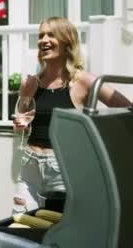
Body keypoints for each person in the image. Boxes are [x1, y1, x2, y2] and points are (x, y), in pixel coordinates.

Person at [12, 16, 132, 212]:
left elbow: (125, 108)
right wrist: (19, 125)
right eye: (41, 35)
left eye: (51, 35)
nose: (44, 40)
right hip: (29, 166)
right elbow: (20, 125)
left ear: (67, 41)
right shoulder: (30, 83)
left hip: (63, 168)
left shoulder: (83, 82)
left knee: (62, 230)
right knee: (20, 226)